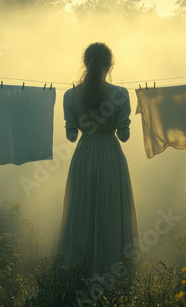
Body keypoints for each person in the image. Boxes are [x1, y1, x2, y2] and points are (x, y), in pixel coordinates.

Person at [58, 42, 140, 277]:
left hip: (84, 156)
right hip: (110, 156)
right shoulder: (121, 94)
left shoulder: (69, 95)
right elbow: (123, 136)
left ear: (85, 63)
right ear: (110, 64)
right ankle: (114, 267)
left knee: (82, 209)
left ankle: (79, 267)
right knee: (111, 209)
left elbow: (71, 135)